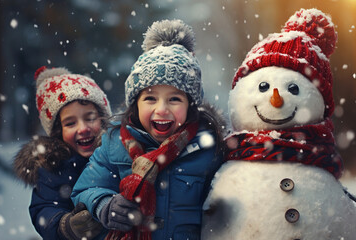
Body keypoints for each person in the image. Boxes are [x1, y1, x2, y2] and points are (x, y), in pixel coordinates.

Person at [71, 19, 225, 240]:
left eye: (174, 99)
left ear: (190, 105)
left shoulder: (208, 148)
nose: (161, 109)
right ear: (136, 103)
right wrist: (104, 204)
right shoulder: (114, 143)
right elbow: (84, 190)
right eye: (150, 98)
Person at [13, 66, 112, 240]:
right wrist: (65, 226)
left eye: (90, 118)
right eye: (70, 123)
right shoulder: (54, 167)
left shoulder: (118, 156)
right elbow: (44, 209)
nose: (83, 128)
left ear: (103, 120)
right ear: (58, 132)